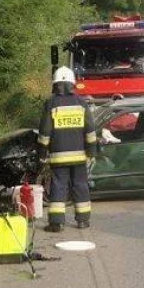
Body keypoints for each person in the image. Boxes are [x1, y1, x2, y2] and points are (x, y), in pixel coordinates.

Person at [37, 66, 97, 231]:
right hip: (79, 156)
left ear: (55, 84)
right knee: (80, 186)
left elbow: (45, 132)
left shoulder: (51, 104)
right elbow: (90, 130)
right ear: (72, 84)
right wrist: (91, 152)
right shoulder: (81, 103)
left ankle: (57, 223)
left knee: (58, 186)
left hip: (58, 157)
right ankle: (83, 221)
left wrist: (42, 152)